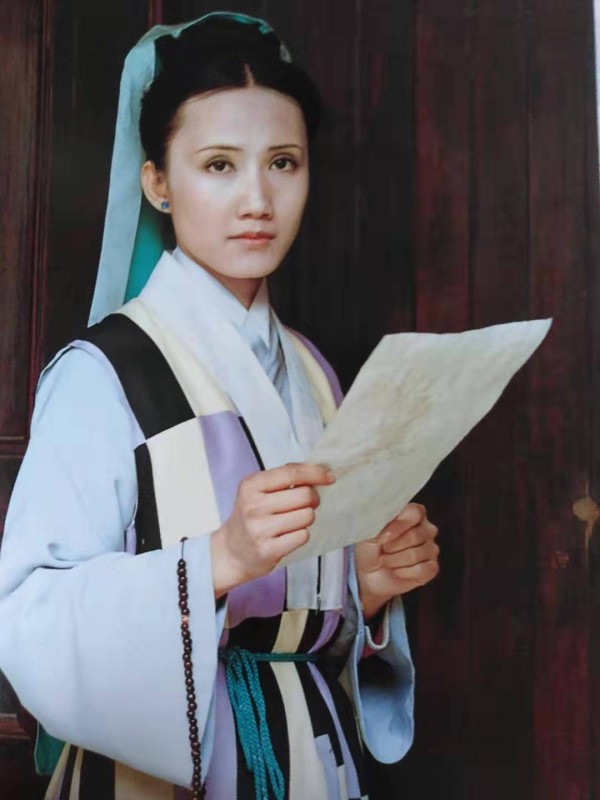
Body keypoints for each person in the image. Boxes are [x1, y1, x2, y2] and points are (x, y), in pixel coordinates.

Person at [0, 12, 440, 800]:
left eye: (283, 163)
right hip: (157, 774)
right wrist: (216, 561)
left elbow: (301, 630)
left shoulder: (314, 375)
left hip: (311, 755)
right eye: (218, 165)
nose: (257, 199)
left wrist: (364, 588)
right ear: (157, 183)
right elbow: (29, 617)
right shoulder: (103, 373)